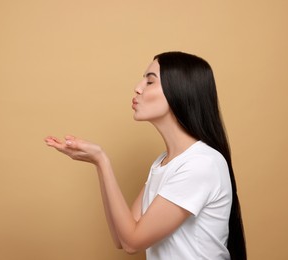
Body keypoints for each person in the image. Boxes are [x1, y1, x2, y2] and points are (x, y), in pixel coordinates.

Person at [44, 51, 246, 260]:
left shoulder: (201, 163)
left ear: (179, 91)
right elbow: (121, 238)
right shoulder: (163, 163)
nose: (138, 88)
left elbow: (132, 242)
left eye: (150, 81)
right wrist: (100, 163)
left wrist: (102, 161)